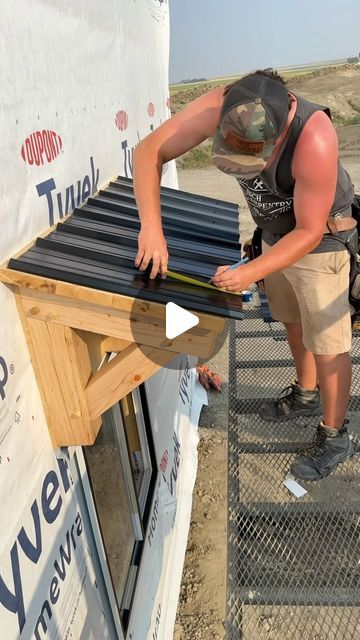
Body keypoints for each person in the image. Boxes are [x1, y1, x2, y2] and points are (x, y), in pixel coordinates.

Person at [133, 68, 357, 482]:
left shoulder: (315, 138)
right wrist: (151, 226)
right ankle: (306, 394)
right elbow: (149, 152)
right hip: (274, 235)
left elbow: (308, 232)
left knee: (328, 342)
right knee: (291, 320)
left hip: (320, 240)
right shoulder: (224, 105)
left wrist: (249, 271)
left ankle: (335, 434)